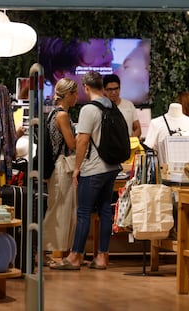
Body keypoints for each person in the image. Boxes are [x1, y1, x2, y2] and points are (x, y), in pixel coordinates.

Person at [50, 71, 122, 270]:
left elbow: (81, 141)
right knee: (105, 211)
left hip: (94, 168)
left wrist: (77, 168)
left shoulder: (89, 109)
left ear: (86, 88)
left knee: (83, 213)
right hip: (112, 167)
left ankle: (75, 257)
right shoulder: (111, 105)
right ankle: (102, 257)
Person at [43, 77, 78, 264]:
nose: (77, 97)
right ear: (69, 95)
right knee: (59, 209)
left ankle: (52, 251)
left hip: (58, 165)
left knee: (59, 208)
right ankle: (46, 250)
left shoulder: (53, 113)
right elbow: (71, 143)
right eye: (75, 93)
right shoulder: (62, 115)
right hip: (61, 166)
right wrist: (84, 136)